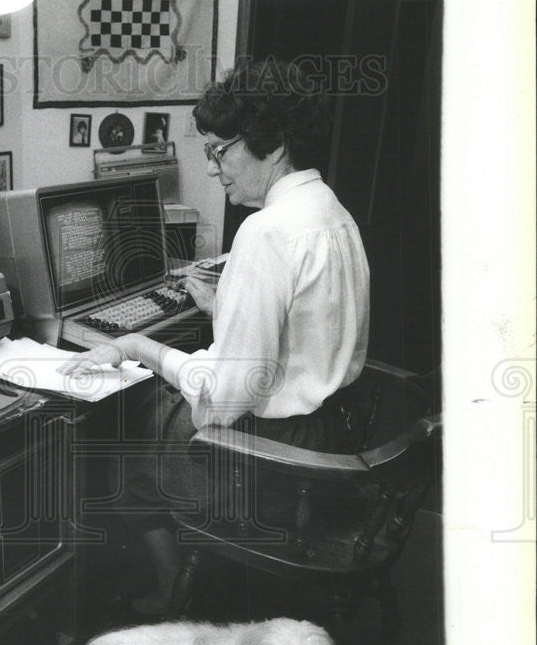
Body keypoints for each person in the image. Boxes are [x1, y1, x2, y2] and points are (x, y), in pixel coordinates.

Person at [58, 57, 370, 616]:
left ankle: (175, 593)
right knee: (159, 406)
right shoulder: (332, 210)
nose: (212, 169)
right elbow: (307, 332)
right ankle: (189, 580)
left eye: (220, 150)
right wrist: (227, 302)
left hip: (279, 464)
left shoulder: (266, 232)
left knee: (126, 439)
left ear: (272, 146)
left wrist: (140, 348)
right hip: (335, 439)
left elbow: (223, 404)